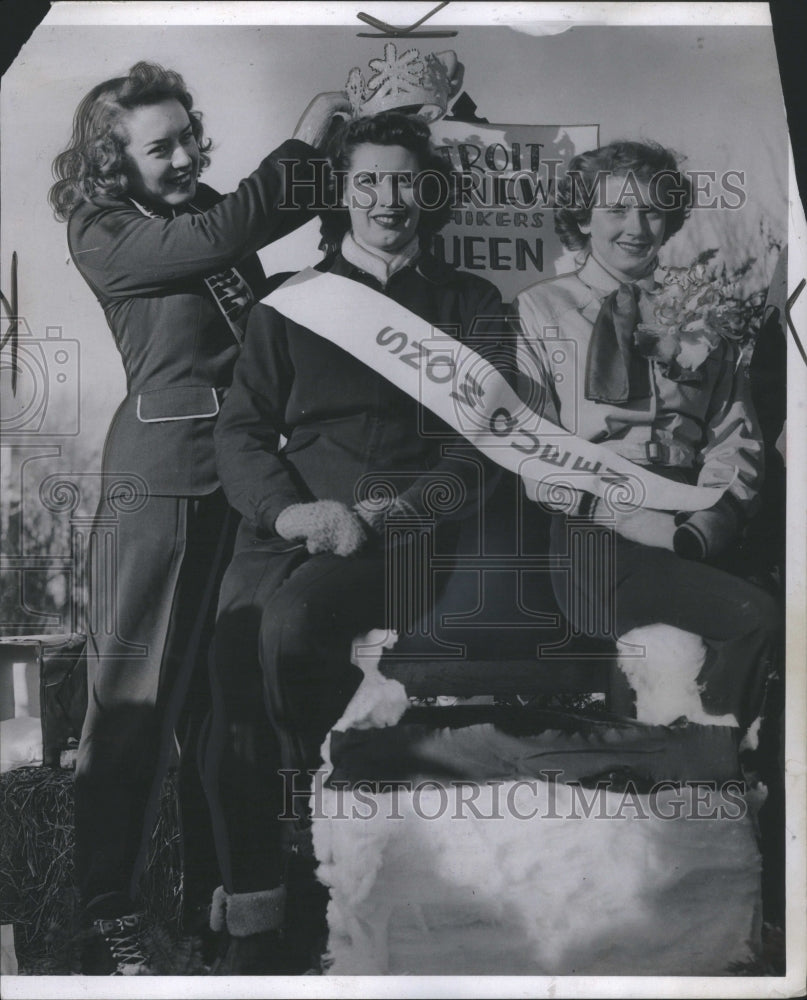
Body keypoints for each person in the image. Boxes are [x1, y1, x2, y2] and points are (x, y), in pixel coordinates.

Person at [48, 60, 347, 975]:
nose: (182, 158)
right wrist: (320, 124)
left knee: (226, 709)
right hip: (161, 487)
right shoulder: (100, 229)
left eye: (187, 136)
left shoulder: (200, 210)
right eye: (159, 146)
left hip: (242, 483)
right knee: (133, 710)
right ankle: (104, 922)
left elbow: (245, 298)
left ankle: (220, 910)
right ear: (112, 160)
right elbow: (233, 227)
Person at [202, 109, 507, 974]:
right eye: (368, 180)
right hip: (290, 527)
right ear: (340, 192)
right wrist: (291, 515)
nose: (387, 198)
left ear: (430, 191)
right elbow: (242, 434)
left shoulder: (469, 305)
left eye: (406, 180)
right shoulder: (291, 302)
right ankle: (257, 921)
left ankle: (323, 873)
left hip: (401, 536)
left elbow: (478, 454)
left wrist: (383, 517)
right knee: (231, 674)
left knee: (293, 632)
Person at [514, 140, 781, 739]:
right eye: (616, 210)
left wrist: (711, 523)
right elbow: (530, 446)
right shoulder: (538, 309)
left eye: (653, 211)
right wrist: (620, 512)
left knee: (773, 607)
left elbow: (734, 437)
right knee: (751, 617)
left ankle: (698, 782)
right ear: (583, 218)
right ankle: (696, 771)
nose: (636, 228)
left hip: (695, 520)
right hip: (596, 528)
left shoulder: (705, 316)